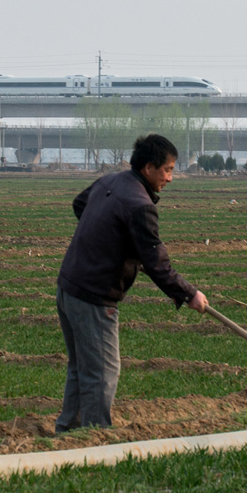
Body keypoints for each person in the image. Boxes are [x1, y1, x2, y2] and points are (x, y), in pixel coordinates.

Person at [55, 134, 208, 434]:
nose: (171, 178)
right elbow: (157, 264)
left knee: (80, 368)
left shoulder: (109, 182)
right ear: (149, 168)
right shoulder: (140, 205)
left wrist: (107, 238)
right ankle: (96, 438)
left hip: (68, 286)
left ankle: (68, 435)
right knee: (102, 372)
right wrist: (189, 294)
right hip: (93, 297)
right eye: (168, 170)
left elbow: (80, 205)